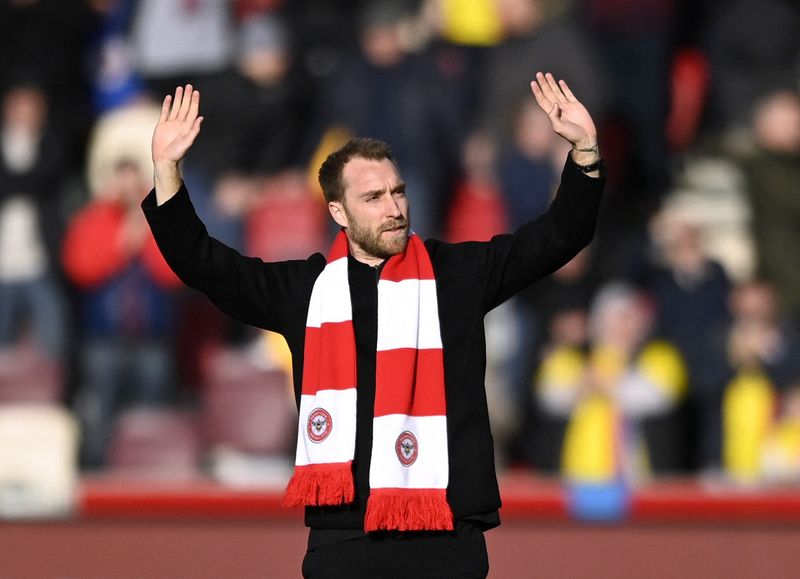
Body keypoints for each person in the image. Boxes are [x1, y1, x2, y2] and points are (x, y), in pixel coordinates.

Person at [143, 72, 604, 578]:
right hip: (346, 537)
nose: (394, 209)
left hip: (447, 537)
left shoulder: (458, 275)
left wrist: (584, 153)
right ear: (337, 211)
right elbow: (204, 264)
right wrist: (167, 171)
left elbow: (560, 235)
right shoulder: (308, 290)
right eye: (374, 198)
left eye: (397, 192)